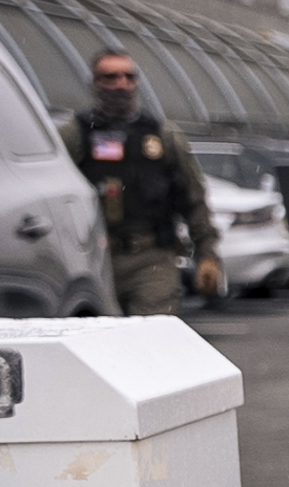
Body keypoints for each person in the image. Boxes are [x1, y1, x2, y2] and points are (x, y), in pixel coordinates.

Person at [62, 50, 215, 316]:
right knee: (101, 343)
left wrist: (208, 254)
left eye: (129, 77)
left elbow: (193, 198)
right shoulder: (75, 135)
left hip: (152, 257)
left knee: (154, 336)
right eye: (111, 77)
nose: (121, 84)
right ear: (95, 83)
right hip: (96, 259)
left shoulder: (162, 135)